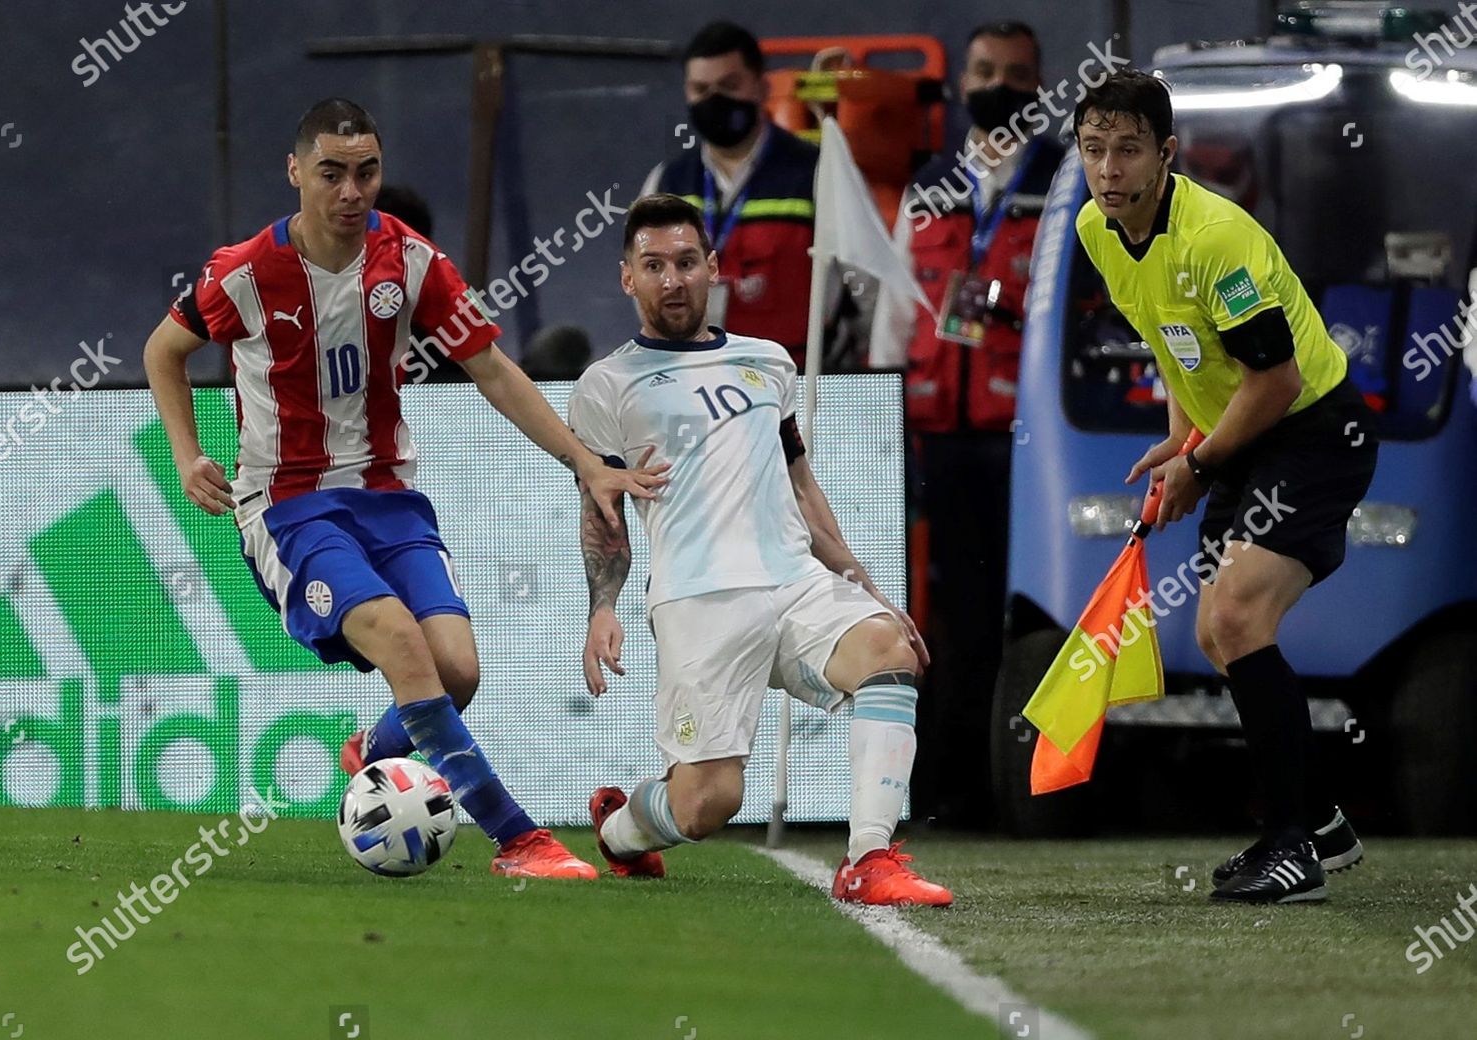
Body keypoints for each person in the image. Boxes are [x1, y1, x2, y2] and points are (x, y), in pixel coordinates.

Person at [141, 98, 667, 880]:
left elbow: (491, 368)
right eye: (331, 174)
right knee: (397, 638)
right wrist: (187, 456)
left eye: (367, 173)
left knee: (458, 671)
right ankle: (517, 838)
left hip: (389, 497)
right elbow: (164, 351)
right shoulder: (246, 271)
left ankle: (374, 752)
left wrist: (585, 462)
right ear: (295, 173)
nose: (352, 192)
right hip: (287, 505)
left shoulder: (410, 261)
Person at [565, 194, 949, 906]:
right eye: (654, 266)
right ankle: (621, 830)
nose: (673, 280)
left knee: (888, 650)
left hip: (795, 580)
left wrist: (863, 582)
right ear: (628, 278)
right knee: (707, 804)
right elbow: (600, 508)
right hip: (697, 598)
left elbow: (800, 481)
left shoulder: (769, 362)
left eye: (686, 262)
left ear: (713, 267)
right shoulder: (604, 386)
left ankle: (869, 857)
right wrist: (603, 606)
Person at [1072, 70, 1376, 903]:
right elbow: (1179, 343)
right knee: (1218, 633)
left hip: (1313, 433)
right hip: (1242, 438)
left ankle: (1291, 851)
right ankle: (1319, 824)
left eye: (1128, 149)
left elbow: (1273, 379)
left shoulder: (1216, 238)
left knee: (1237, 616)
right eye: (1094, 148)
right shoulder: (1099, 233)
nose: (1109, 168)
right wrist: (1182, 435)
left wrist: (1198, 466)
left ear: (1165, 154)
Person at [868, 20, 1064, 825]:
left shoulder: (1065, 180)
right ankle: (938, 785)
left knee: (1015, 612)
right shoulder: (933, 184)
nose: (999, 86)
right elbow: (894, 307)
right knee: (937, 610)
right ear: (962, 83)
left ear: (1039, 87)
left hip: (1030, 438)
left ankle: (1007, 787)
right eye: (985, 71)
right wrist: (882, 409)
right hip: (934, 435)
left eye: (1017, 75)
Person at [641, 21, 822, 369]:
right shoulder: (667, 181)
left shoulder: (817, 171)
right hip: (691, 377)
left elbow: (863, 282)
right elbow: (644, 287)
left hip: (790, 380)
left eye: (729, 85)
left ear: (761, 86)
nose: (715, 100)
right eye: (701, 89)